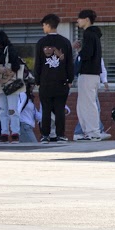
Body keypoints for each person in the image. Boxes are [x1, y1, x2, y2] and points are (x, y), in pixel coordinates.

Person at [35, 14, 75, 143]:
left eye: (43, 25)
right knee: (59, 109)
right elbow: (69, 63)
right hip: (61, 82)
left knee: (46, 109)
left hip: (45, 82)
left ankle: (45, 135)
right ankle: (60, 135)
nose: (43, 28)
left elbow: (38, 64)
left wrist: (37, 81)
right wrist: (70, 79)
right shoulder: (65, 42)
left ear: (47, 25)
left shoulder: (41, 42)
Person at [74, 9, 108, 141]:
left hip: (88, 73)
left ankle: (93, 132)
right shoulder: (95, 35)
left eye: (80, 18)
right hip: (93, 74)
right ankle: (89, 132)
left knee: (87, 104)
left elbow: (87, 54)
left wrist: (80, 53)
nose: (78, 21)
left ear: (87, 19)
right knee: (85, 104)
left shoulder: (88, 34)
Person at [0, 31, 24, 143]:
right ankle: (4, 132)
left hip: (10, 83)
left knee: (12, 109)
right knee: (2, 109)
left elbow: (16, 66)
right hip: (0, 84)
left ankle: (15, 133)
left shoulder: (10, 50)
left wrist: (4, 79)